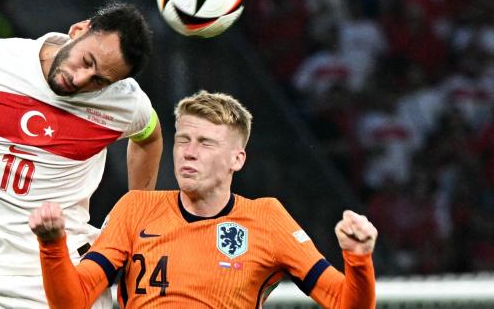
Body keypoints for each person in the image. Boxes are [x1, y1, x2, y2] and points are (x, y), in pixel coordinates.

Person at [29, 90, 378, 308]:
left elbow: (343, 302)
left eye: (206, 143)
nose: (188, 153)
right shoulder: (136, 208)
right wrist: (52, 244)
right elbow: (72, 301)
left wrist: (358, 258)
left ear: (236, 159)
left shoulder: (267, 218)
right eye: (183, 140)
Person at [0, 1, 163, 309]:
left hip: (62, 280)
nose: (81, 79)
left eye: (99, 80)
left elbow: (149, 137)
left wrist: (136, 219)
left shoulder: (125, 104)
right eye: (86, 61)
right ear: (78, 30)